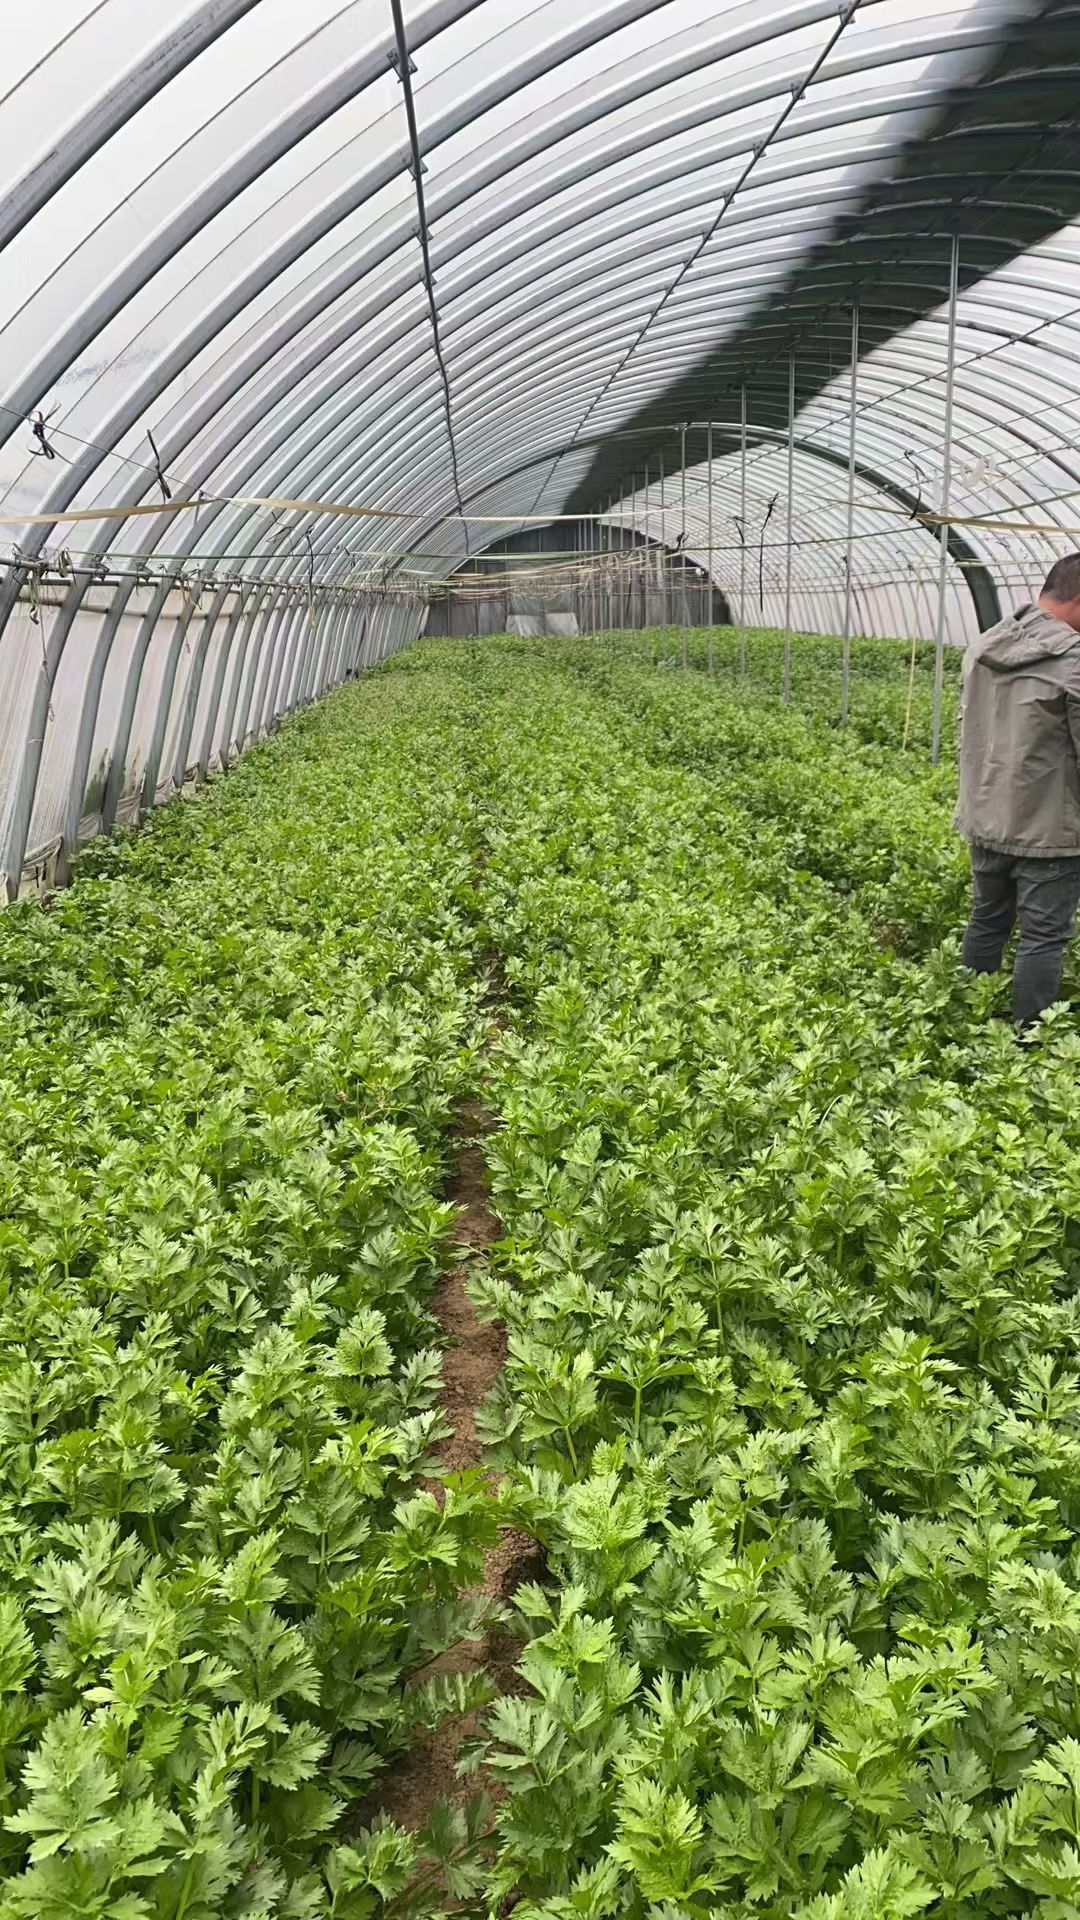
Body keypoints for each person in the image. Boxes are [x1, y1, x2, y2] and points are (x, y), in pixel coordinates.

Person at [955, 552, 1080, 1027]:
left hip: (986, 815)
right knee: (1043, 937)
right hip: (1049, 828)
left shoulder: (985, 645)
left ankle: (966, 1015)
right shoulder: (1073, 661)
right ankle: (1032, 1041)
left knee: (988, 918)